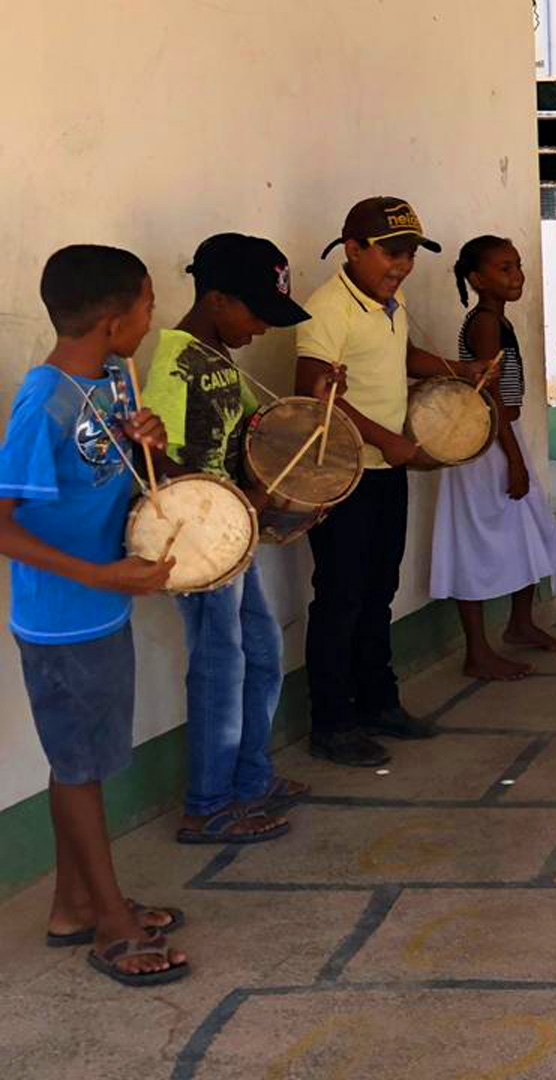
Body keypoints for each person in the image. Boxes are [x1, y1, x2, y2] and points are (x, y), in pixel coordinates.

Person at [1, 245, 189, 984]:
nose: (151, 319)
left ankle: (72, 905)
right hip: (64, 617)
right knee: (81, 769)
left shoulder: (111, 378)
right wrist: (97, 574)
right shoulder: (42, 399)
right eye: (146, 307)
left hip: (101, 610)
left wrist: (150, 442)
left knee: (80, 761)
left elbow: (116, 473)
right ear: (115, 321)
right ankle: (109, 921)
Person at [146, 234, 314, 844]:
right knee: (220, 667)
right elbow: (159, 466)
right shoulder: (175, 360)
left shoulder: (217, 359)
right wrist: (246, 504)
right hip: (198, 544)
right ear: (216, 299)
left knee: (262, 654)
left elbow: (256, 432)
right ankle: (208, 804)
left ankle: (250, 778)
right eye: (257, 313)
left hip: (231, 539)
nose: (264, 328)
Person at [298, 197, 474, 767]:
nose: (403, 264)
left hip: (384, 474)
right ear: (353, 249)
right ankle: (331, 720)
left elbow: (402, 356)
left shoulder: (388, 304)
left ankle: (379, 701)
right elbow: (315, 395)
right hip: (344, 476)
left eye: (411, 254)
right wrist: (386, 439)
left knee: (379, 592)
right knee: (341, 597)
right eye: (392, 252)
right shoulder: (326, 309)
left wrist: (454, 369)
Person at [430, 235, 556, 680]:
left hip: (502, 440)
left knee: (528, 528)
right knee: (474, 542)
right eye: (504, 269)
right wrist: (514, 458)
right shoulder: (486, 323)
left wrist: (516, 451)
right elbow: (488, 397)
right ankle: (477, 651)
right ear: (476, 278)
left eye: (518, 266)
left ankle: (521, 623)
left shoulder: (498, 320)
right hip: (483, 445)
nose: (517, 276)